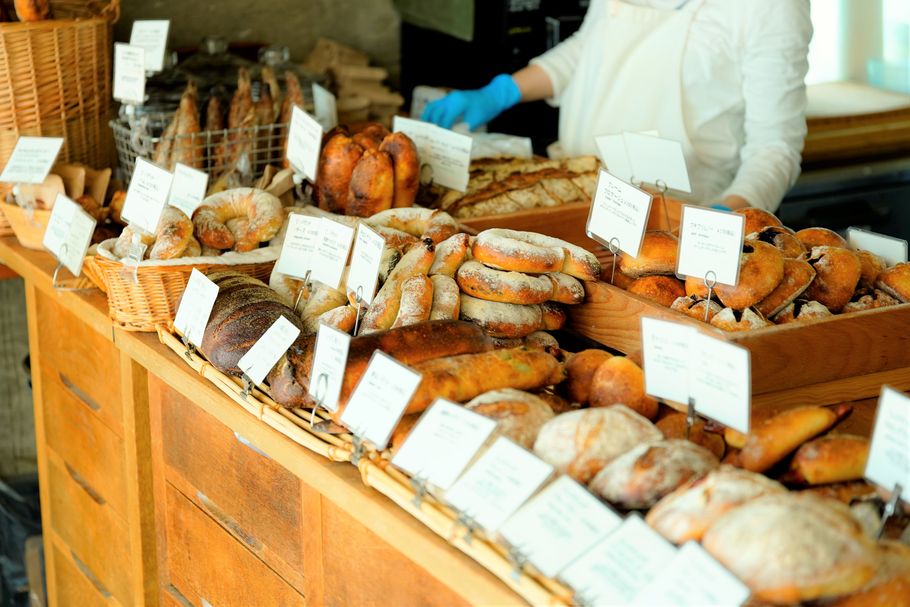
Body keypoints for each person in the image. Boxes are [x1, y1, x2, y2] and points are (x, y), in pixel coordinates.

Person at [421, 0, 813, 212]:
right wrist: (502, 91)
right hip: (576, 195)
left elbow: (775, 148)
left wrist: (729, 212)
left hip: (675, 218)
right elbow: (587, 49)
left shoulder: (770, 7)